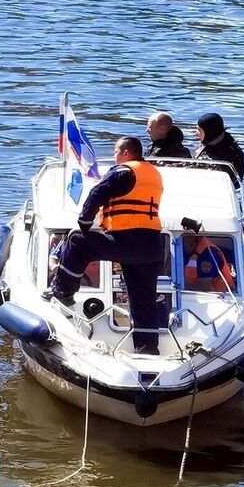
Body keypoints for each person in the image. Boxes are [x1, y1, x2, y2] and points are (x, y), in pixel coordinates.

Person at [49, 136, 166, 355]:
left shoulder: (122, 171)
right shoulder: (154, 174)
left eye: (115, 152)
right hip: (152, 246)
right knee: (144, 300)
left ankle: (62, 292)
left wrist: (84, 222)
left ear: (125, 154)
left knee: (77, 240)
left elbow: (97, 193)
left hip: (125, 241)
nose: (114, 157)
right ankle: (148, 349)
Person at [193, 112, 244, 183]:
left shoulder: (231, 156)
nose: (195, 133)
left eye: (199, 130)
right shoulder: (212, 141)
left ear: (209, 132)